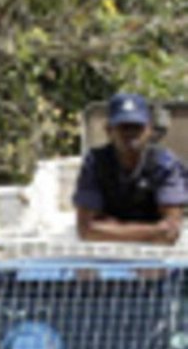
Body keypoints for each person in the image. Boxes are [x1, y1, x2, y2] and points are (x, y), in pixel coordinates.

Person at [75, 92, 188, 245]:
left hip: (156, 254)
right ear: (109, 130)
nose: (130, 134)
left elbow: (170, 232)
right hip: (106, 251)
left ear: (149, 130)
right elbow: (86, 230)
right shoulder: (95, 162)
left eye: (136, 127)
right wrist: (153, 231)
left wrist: (111, 228)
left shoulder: (165, 164)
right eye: (123, 127)